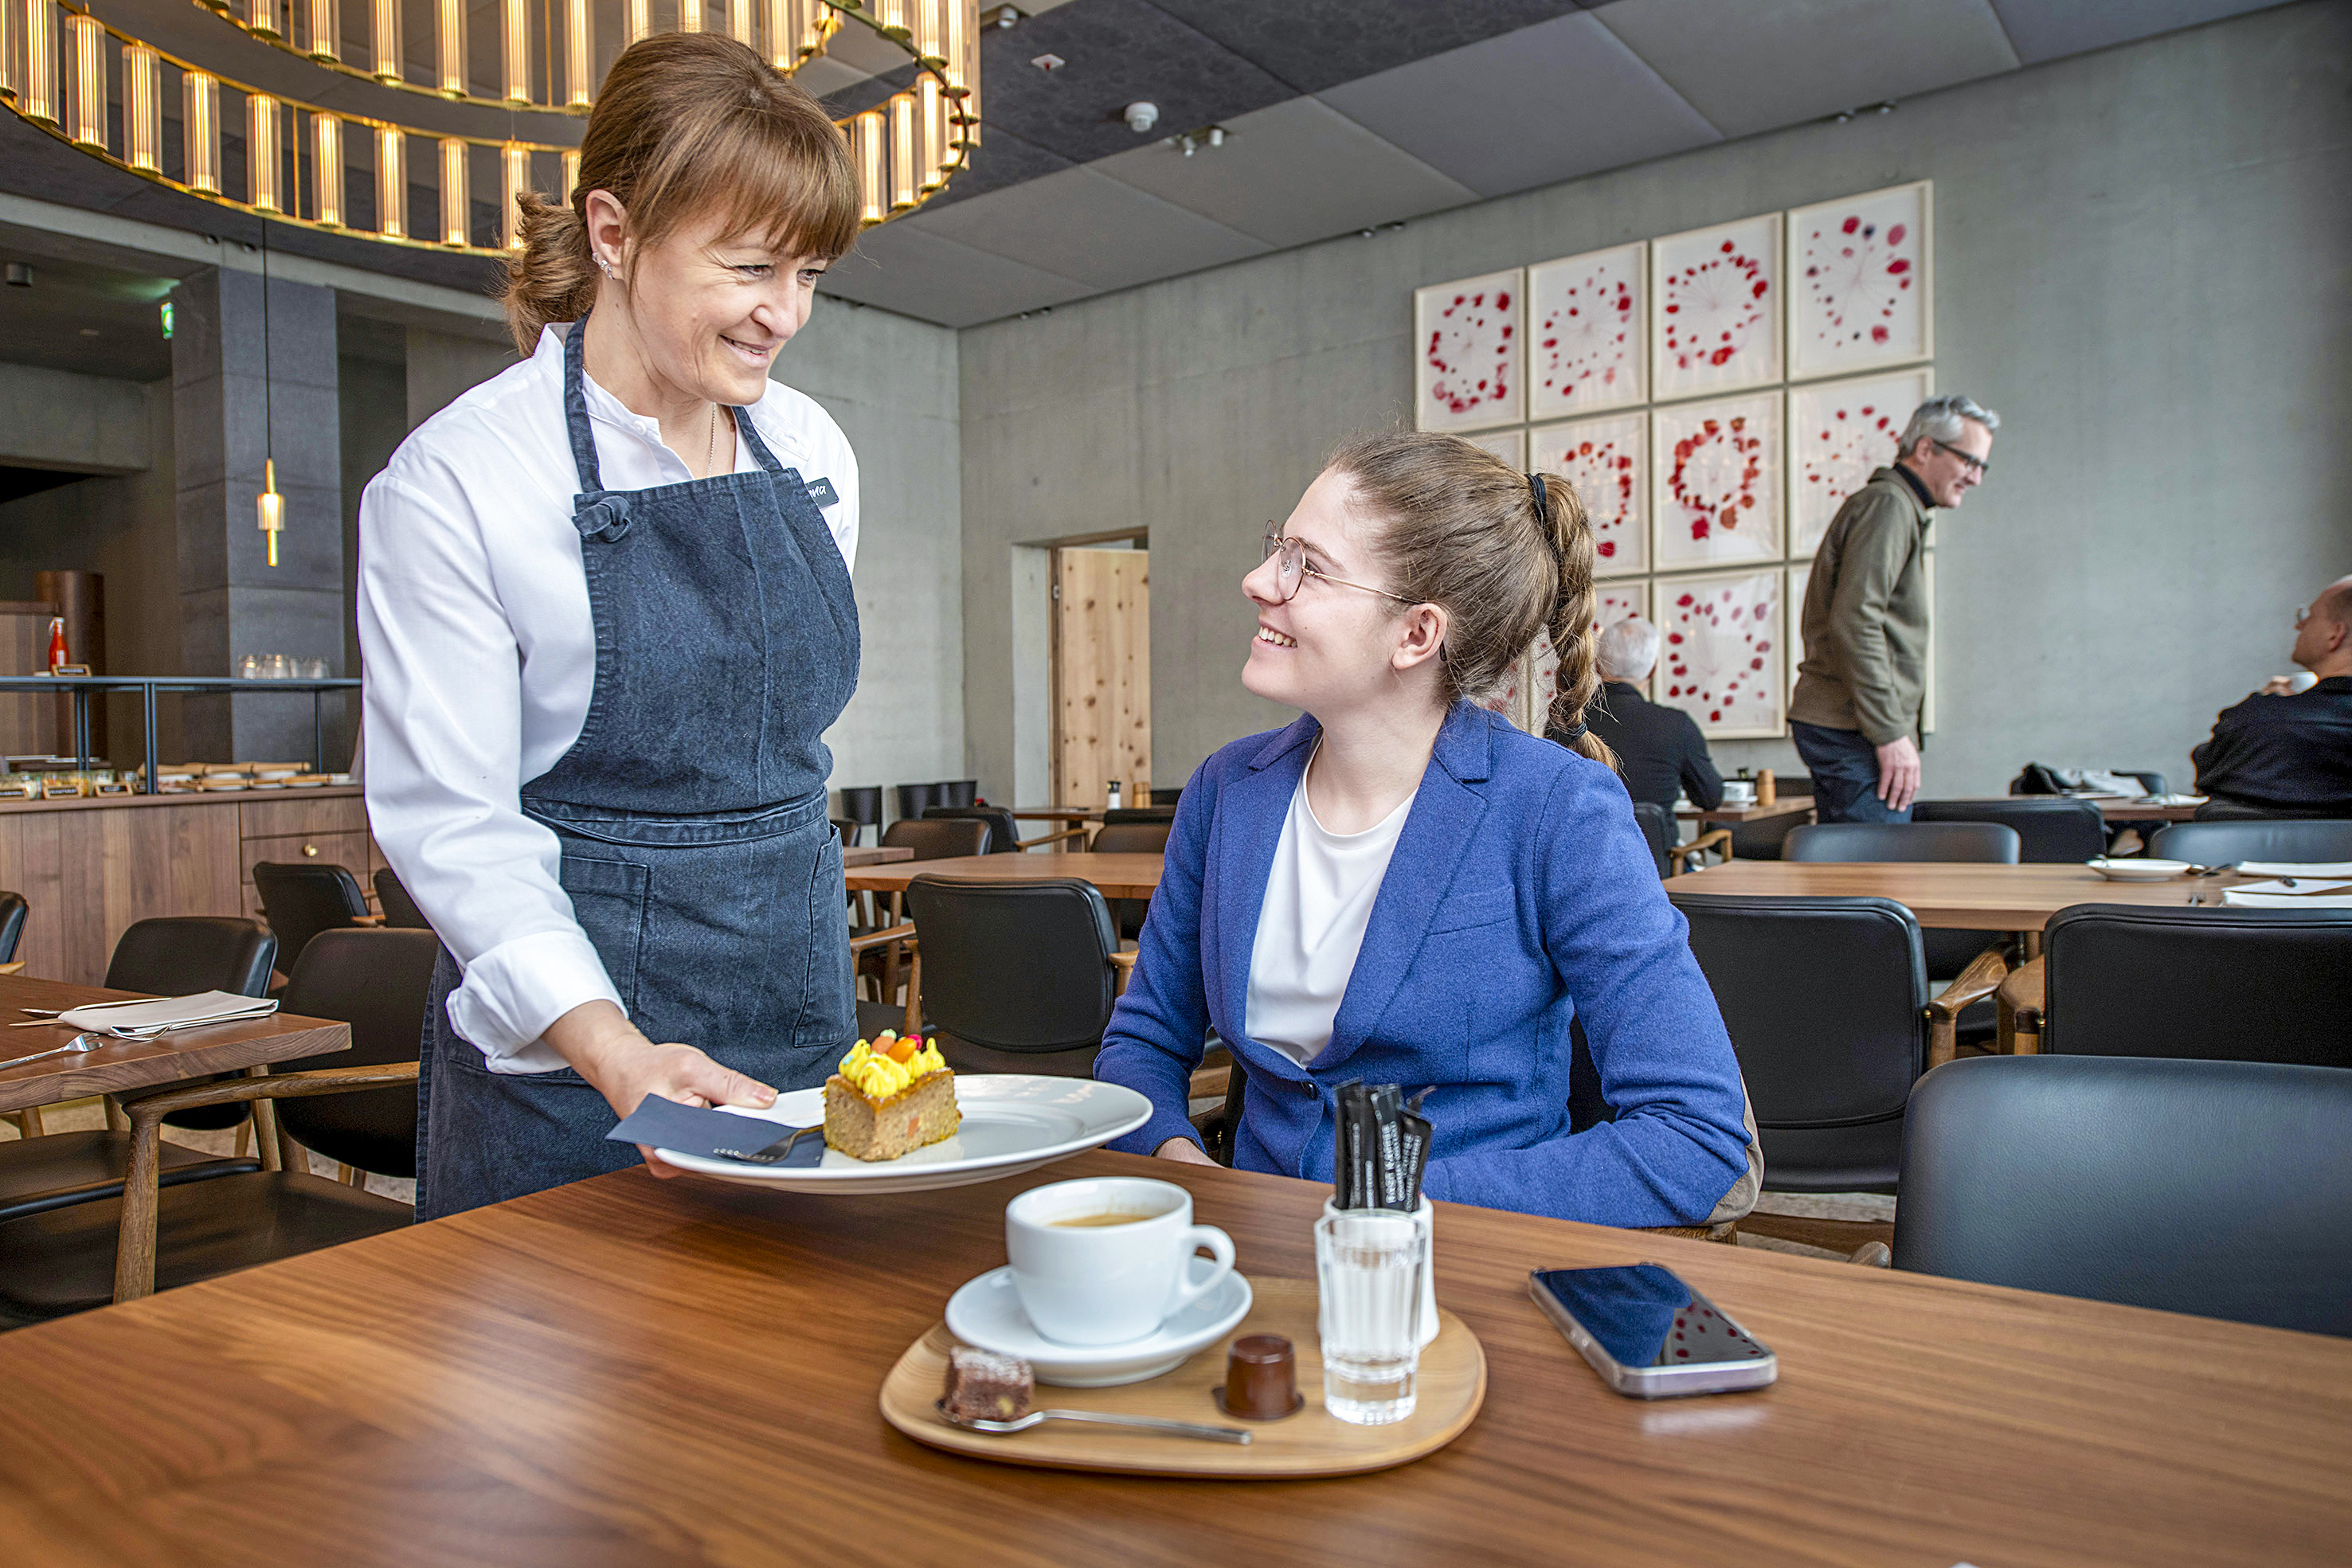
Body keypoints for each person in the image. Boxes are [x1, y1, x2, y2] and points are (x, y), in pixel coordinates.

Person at [358, 36, 866, 1218]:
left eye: (809, 275)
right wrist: (618, 1056)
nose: (782, 315)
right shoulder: (458, 482)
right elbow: (456, 828)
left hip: (797, 1021)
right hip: (570, 1054)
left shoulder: (815, 451)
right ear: (614, 233)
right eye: (749, 267)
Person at [1092, 432, 1758, 1228]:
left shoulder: (1556, 809)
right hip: (1249, 1272)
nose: (1257, 580)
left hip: (1468, 1271)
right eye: (1277, 549)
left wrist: (1375, 1209)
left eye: (1306, 563)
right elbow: (1141, 1042)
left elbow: (1695, 1137)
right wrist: (1185, 1166)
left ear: (1415, 634)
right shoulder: (1226, 792)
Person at [1789, 394, 1998, 822]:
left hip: (1851, 724)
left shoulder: (1898, 506)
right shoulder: (1889, 504)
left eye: (1982, 466)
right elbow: (1856, 620)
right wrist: (1890, 732)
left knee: (1860, 871)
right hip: (1853, 728)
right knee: (1881, 874)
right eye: (1969, 462)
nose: (1976, 478)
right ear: (1926, 449)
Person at [2191, 576, 2352, 815]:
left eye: (2310, 616)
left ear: (2334, 634)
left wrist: (2271, 710)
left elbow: (2209, 770)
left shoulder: (2256, 720)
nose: (2300, 625)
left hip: (2253, 853)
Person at [1563, 616, 1722, 817]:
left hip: (1583, 847)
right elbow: (1710, 797)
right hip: (1653, 848)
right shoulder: (1677, 726)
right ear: (1653, 669)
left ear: (1597, 666)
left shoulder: (1566, 723)